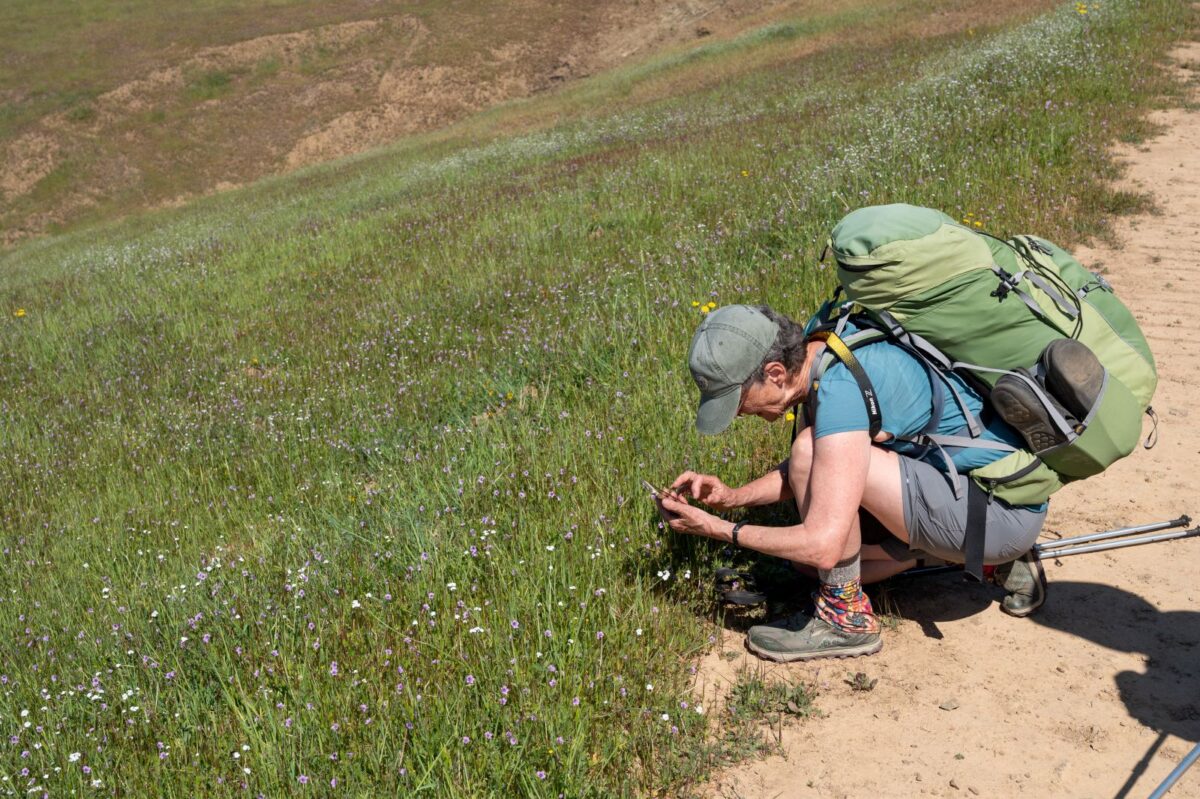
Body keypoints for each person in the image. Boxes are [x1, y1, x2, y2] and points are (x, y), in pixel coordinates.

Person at [658, 304, 1047, 662]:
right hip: (974, 493)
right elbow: (823, 468)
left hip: (995, 513)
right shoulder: (822, 348)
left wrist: (717, 528)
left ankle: (846, 621)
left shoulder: (839, 389)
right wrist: (731, 497)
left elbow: (824, 542)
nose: (740, 413)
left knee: (818, 524)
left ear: (775, 374)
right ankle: (970, 559)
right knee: (807, 567)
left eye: (738, 400)